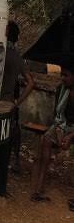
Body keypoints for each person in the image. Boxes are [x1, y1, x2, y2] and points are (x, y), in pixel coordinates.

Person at [0, 21, 35, 198]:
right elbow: (31, 82)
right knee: (4, 147)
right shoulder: (16, 57)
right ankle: (1, 188)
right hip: (7, 107)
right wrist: (17, 102)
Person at [31, 65, 74, 202]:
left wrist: (70, 136)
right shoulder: (61, 89)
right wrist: (59, 131)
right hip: (63, 124)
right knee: (46, 139)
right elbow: (58, 115)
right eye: (62, 75)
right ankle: (38, 190)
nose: (62, 78)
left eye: (66, 75)